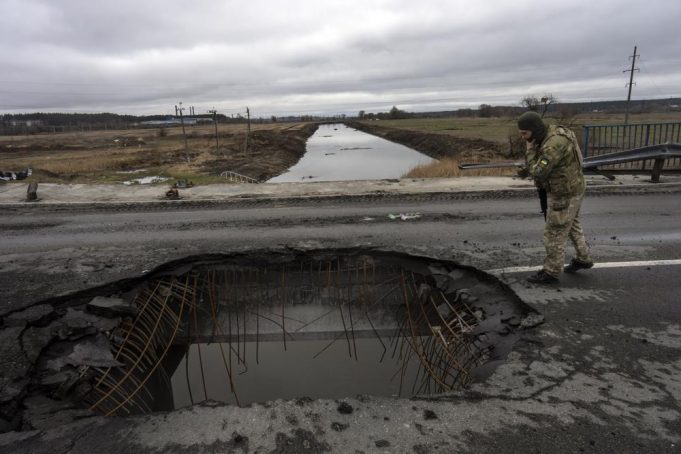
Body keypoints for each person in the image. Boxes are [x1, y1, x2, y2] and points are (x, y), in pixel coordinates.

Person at [517, 111, 594, 284]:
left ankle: (551, 272)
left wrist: (529, 152)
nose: (523, 138)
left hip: (564, 194)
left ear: (535, 130)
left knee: (554, 232)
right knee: (572, 225)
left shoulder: (552, 144)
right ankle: (584, 258)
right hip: (576, 187)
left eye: (525, 133)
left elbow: (538, 172)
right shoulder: (558, 131)